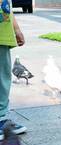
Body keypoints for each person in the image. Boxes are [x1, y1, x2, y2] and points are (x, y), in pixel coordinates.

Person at [0, 0, 27, 137]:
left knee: (3, 78)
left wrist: (16, 29)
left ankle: (1, 117)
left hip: (2, 36)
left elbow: (7, 7)